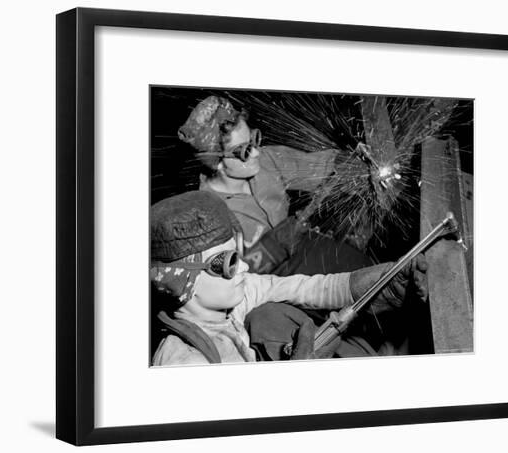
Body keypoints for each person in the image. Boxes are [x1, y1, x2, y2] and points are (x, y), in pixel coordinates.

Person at [150, 191, 428, 366]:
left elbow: (302, 288)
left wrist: (381, 282)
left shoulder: (232, 305)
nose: (245, 267)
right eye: (229, 262)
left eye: (238, 254)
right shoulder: (184, 362)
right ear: (181, 282)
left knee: (269, 316)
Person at [177, 95, 370, 276]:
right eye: (244, 151)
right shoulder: (207, 216)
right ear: (216, 163)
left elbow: (316, 167)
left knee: (361, 267)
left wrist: (349, 160)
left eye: (253, 139)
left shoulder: (266, 161)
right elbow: (230, 285)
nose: (256, 153)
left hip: (300, 260)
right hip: (263, 295)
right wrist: (271, 247)